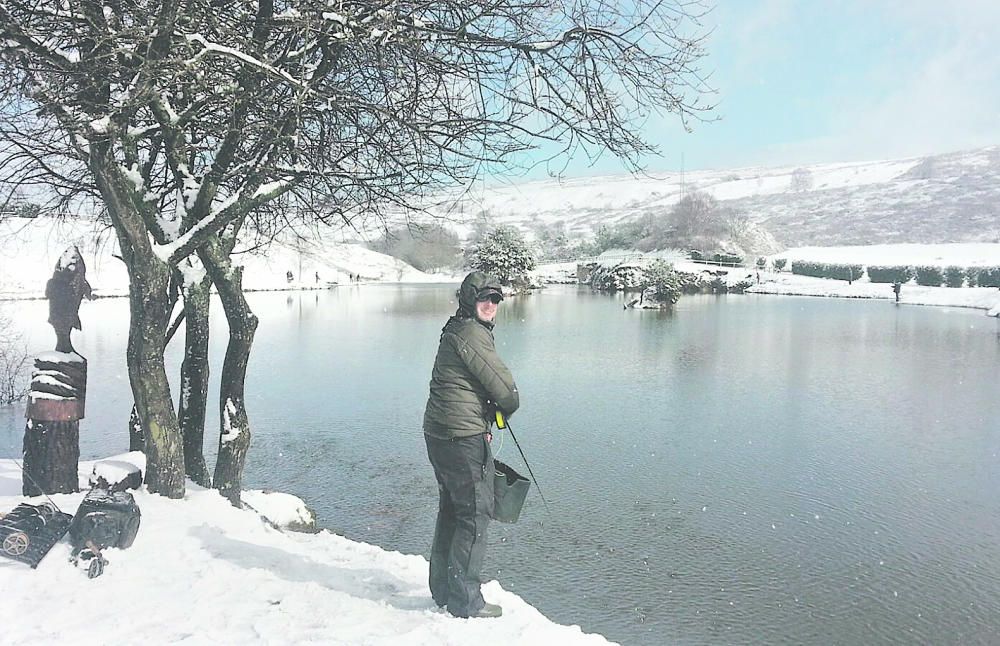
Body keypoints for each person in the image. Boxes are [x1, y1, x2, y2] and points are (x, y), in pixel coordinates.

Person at [423, 271, 519, 619]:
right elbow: (507, 391)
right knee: (475, 515)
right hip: (461, 438)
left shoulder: (454, 328)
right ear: (469, 299)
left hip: (440, 433)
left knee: (453, 509)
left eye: (496, 299)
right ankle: (465, 601)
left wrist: (485, 413)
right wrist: (502, 406)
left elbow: (469, 385)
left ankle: (444, 590)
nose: (491, 305)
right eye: (484, 298)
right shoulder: (471, 333)